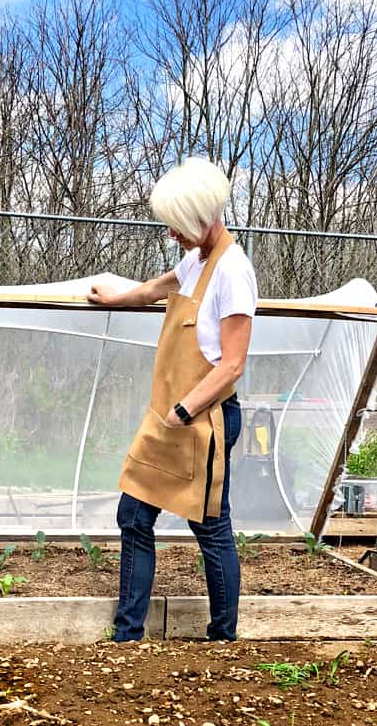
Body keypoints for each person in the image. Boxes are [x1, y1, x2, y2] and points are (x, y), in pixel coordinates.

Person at [87, 157, 257, 642]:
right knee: (134, 515)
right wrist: (115, 299)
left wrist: (184, 410)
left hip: (205, 419)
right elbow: (162, 286)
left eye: (177, 227)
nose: (172, 235)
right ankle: (128, 635)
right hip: (169, 416)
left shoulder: (233, 271)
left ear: (203, 218)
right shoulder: (197, 261)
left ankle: (223, 637)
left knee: (209, 525)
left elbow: (232, 364)